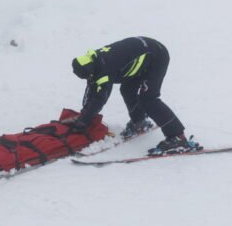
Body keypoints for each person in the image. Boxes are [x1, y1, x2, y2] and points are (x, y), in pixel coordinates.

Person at [70, 36, 198, 155]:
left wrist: (84, 121)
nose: (88, 79)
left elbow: (99, 98)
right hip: (140, 58)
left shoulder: (105, 69)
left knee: (149, 98)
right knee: (127, 89)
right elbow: (92, 88)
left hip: (156, 56)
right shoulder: (93, 61)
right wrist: (84, 114)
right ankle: (139, 121)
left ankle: (177, 137)